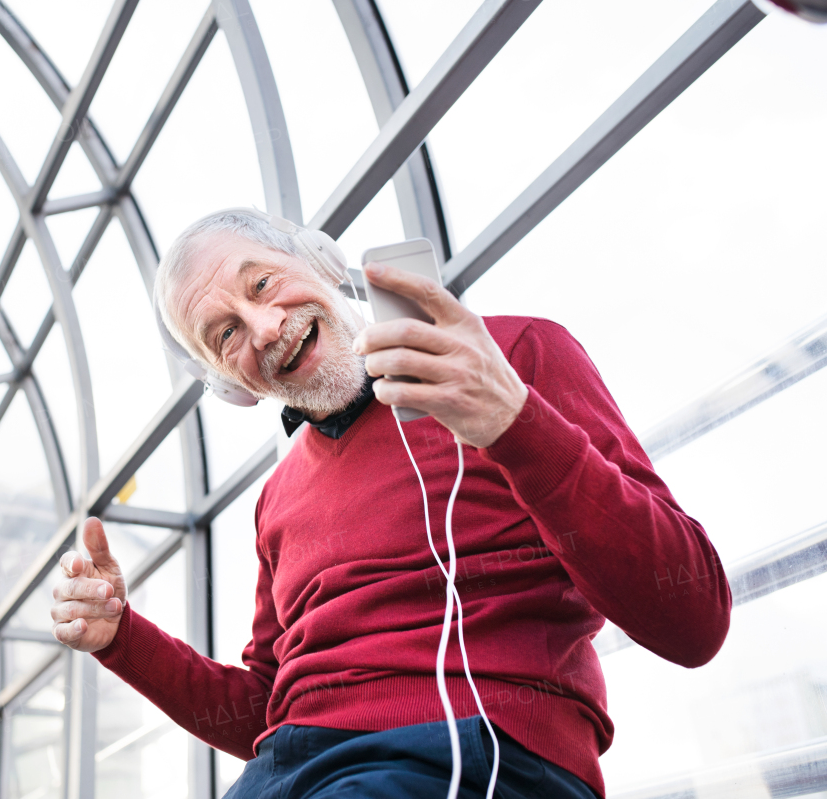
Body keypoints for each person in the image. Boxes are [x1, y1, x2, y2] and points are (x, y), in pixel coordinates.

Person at [49, 211, 730, 798]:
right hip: (294, 773)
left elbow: (693, 619)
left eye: (261, 283)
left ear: (320, 260)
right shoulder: (276, 499)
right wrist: (122, 640)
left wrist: (511, 420)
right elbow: (267, 711)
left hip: (479, 753)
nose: (262, 326)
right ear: (230, 383)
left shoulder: (513, 356)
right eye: (224, 334)